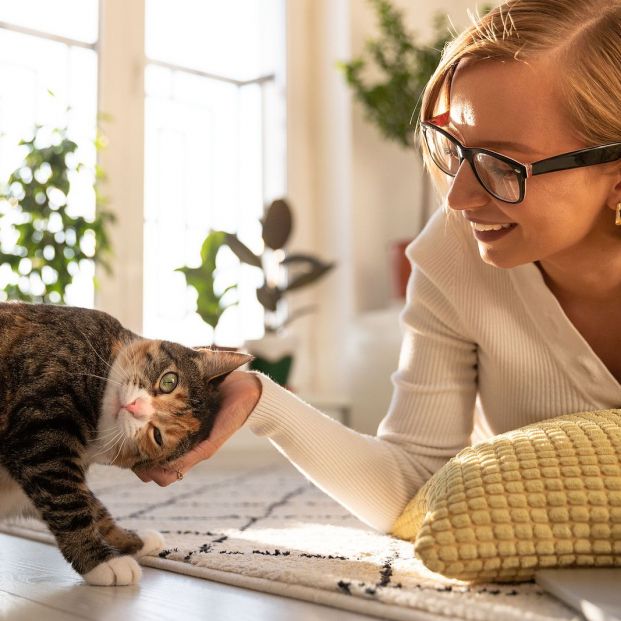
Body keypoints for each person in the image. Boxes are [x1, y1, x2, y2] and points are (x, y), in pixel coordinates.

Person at [136, 0, 621, 534]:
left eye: (501, 164)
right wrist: (262, 401)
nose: (458, 197)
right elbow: (413, 487)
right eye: (454, 148)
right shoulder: (454, 253)